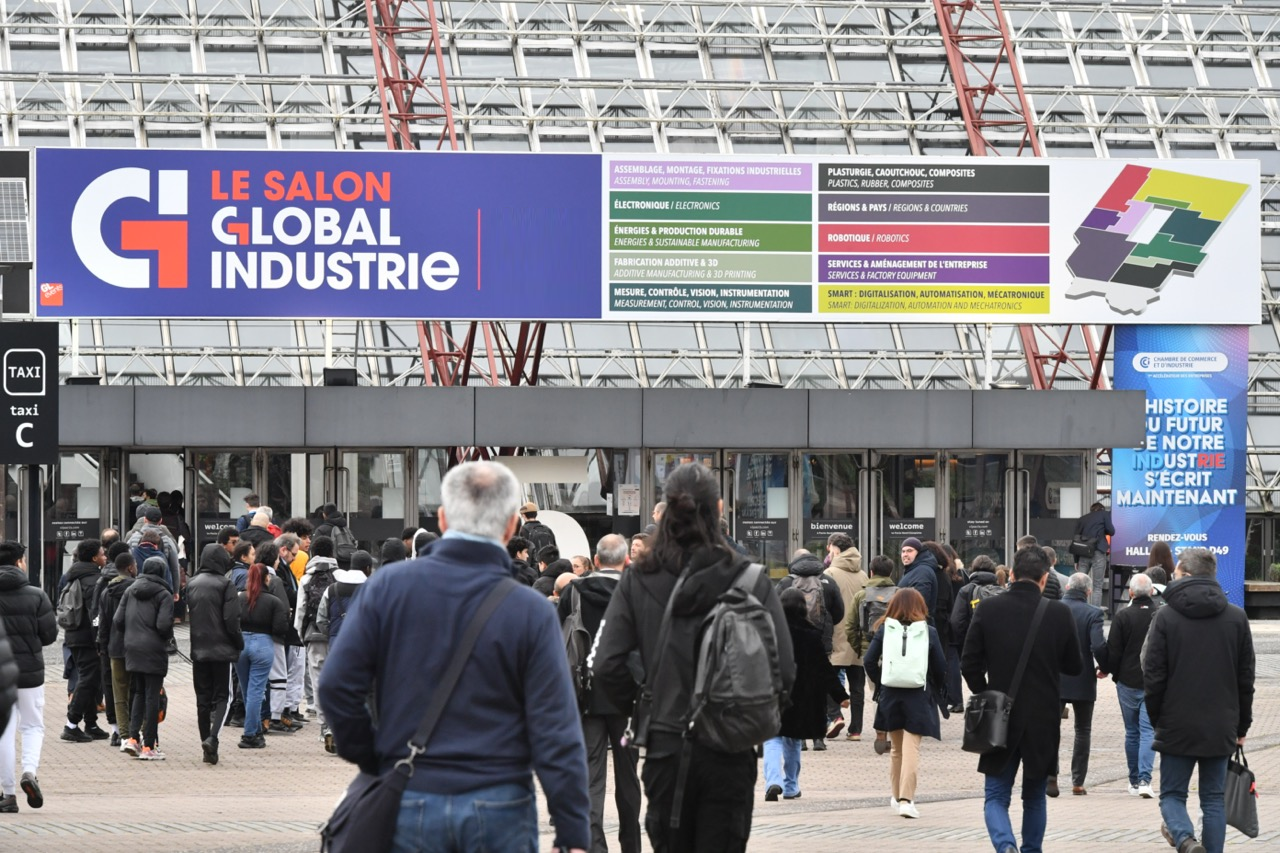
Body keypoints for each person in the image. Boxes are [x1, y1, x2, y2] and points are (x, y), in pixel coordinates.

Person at [321, 462, 591, 853]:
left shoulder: (388, 588)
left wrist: (374, 755)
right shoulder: (530, 611)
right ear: (513, 526)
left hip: (409, 793)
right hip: (500, 802)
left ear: (443, 519)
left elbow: (336, 686)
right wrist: (572, 833)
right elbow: (556, 730)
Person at [591, 462, 794, 853]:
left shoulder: (639, 578)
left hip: (667, 745)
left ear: (665, 512)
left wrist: (645, 709)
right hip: (731, 749)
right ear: (718, 509)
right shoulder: (750, 579)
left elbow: (606, 665)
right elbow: (784, 670)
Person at [961, 544, 1082, 853]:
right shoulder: (1058, 612)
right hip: (1043, 716)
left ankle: (1006, 847)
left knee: (996, 797)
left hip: (999, 713)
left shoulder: (988, 609)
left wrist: (985, 693)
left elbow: (969, 662)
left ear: (1011, 575)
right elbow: (1074, 666)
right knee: (1034, 796)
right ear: (1044, 579)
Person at [1143, 548, 1255, 853]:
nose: (1173, 576)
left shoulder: (1166, 617)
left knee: (1172, 795)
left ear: (1187, 575)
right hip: (1220, 724)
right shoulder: (1236, 617)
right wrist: (1242, 725)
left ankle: (1186, 840)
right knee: (1213, 799)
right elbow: (1246, 679)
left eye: (1176, 573)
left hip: (1176, 722)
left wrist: (1157, 719)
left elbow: (1153, 676)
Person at [557, 533, 640, 853]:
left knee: (591, 776)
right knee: (628, 776)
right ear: (625, 560)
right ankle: (630, 845)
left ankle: (594, 845)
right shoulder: (636, 592)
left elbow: (556, 641)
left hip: (585, 696)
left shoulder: (574, 591)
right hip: (628, 701)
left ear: (595, 561)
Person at [864, 587, 946, 819]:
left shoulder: (884, 630)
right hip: (918, 695)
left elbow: (869, 661)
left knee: (897, 749)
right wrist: (935, 686)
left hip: (891, 694)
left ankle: (896, 795)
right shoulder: (928, 631)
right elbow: (940, 666)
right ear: (920, 607)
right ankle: (906, 800)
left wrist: (881, 684)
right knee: (912, 748)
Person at [763, 588, 847, 804]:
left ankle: (773, 781)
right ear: (803, 608)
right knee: (792, 740)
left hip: (772, 694)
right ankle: (791, 786)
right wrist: (840, 695)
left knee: (772, 738)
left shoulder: (769, 632)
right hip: (800, 698)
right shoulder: (811, 634)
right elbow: (824, 668)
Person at [0, 541, 56, 812]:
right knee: (33, 726)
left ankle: (8, 794)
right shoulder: (36, 595)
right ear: (19, 562)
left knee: (5, 732)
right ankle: (29, 772)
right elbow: (49, 635)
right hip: (31, 671)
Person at [777, 547, 844, 750]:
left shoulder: (786, 583)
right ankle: (818, 738)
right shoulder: (828, 582)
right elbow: (839, 612)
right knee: (818, 686)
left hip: (791, 642)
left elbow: (773, 608)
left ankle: (801, 739)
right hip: (820, 640)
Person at [187, 542, 243, 765]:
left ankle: (205, 743)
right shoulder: (225, 584)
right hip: (221, 649)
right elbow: (231, 619)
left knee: (202, 699)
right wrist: (238, 643)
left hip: (198, 649)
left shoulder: (191, 584)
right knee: (223, 697)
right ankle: (213, 738)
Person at [114, 556, 175, 760]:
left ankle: (132, 739)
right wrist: (167, 639)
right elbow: (163, 625)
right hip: (153, 648)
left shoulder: (130, 590)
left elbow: (118, 619)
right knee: (152, 696)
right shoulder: (164, 594)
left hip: (131, 647)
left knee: (138, 693)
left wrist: (132, 633)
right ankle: (149, 746)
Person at [1054, 572, 1108, 797]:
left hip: (1054, 677)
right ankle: (1078, 782)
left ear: (1067, 587)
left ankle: (1051, 777)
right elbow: (1098, 645)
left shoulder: (1052, 608)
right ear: (1088, 592)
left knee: (1050, 729)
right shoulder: (1093, 613)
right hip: (1083, 676)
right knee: (1083, 730)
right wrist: (1104, 667)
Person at [1106, 572, 1159, 798]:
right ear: (1152, 592)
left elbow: (1113, 651)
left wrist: (1110, 672)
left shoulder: (1122, 616)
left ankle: (1134, 780)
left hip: (1127, 681)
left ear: (1130, 592)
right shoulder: (1160, 616)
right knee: (1149, 731)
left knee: (1132, 732)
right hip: (1152, 681)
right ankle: (1146, 780)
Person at [847, 554, 898, 754]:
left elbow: (850, 627)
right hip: (895, 652)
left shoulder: (862, 595)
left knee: (877, 692)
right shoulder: (900, 593)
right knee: (893, 691)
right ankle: (892, 733)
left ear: (871, 572)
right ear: (891, 573)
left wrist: (860, 648)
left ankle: (880, 733)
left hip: (870, 650)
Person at [235, 561, 287, 750]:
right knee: (257, 691)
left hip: (241, 644)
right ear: (267, 578)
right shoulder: (274, 602)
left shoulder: (240, 598)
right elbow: (281, 627)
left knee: (247, 689)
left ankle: (256, 731)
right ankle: (249, 734)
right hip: (263, 644)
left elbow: (232, 620)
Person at [61, 539, 108, 743]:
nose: (105, 557)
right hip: (88, 637)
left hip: (73, 634)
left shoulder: (72, 575)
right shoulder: (95, 580)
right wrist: (99, 639)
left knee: (90, 678)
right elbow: (95, 615)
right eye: (102, 554)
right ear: (93, 558)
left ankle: (91, 723)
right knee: (89, 679)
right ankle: (72, 724)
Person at [823, 533, 865, 741]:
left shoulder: (829, 573)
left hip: (836, 635)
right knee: (857, 685)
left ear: (836, 550)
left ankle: (836, 716)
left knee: (828, 680)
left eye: (829, 548)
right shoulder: (863, 575)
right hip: (858, 636)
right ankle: (856, 730)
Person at [296, 535, 337, 749]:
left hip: (314, 636)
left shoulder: (306, 578)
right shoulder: (340, 576)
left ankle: (324, 726)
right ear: (332, 552)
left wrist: (302, 636)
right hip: (338, 636)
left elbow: (301, 611)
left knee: (319, 681)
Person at [99, 553, 136, 752]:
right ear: (130, 568)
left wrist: (102, 647)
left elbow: (103, 624)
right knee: (137, 690)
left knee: (119, 693)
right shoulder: (136, 589)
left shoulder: (107, 592)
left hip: (115, 648)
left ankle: (123, 734)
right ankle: (137, 732)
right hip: (136, 647)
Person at [1073, 501, 1114, 608]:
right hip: (1098, 552)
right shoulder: (1104, 514)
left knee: (1079, 585)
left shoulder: (1082, 519)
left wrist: (1076, 560)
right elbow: (1112, 531)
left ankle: (1079, 609)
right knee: (1097, 586)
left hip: (1083, 554)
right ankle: (1095, 613)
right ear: (1101, 509)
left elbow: (1076, 541)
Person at [897, 538, 937, 614]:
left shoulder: (922, 572)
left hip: (916, 622)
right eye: (903, 551)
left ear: (918, 553)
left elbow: (919, 604)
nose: (905, 554)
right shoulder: (913, 570)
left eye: (909, 551)